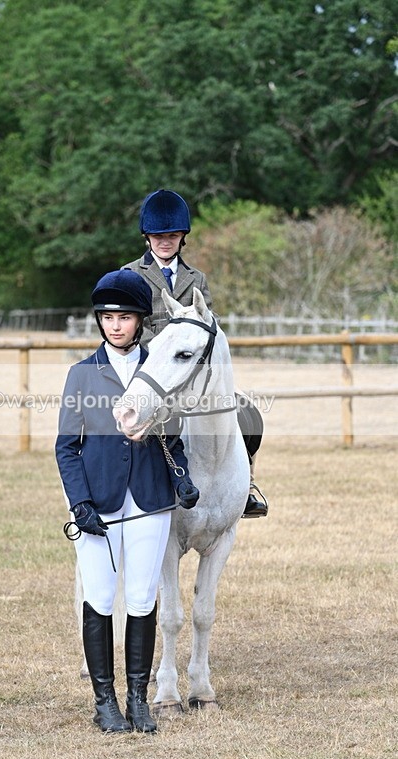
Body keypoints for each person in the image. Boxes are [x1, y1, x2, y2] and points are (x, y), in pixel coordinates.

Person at [55, 269, 200, 734]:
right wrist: (80, 504)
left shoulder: (158, 366)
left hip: (150, 499)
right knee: (98, 598)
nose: (116, 326)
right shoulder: (81, 374)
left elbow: (174, 435)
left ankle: (138, 699)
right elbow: (66, 446)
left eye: (125, 317)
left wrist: (182, 475)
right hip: (98, 502)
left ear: (141, 321)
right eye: (108, 317)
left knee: (141, 598)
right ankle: (105, 702)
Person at [121, 188, 268, 519]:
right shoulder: (130, 275)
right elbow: (125, 328)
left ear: (181, 237)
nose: (165, 242)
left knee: (245, 414)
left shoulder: (196, 279)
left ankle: (244, 488)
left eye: (172, 236)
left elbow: (208, 328)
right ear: (147, 237)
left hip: (191, 374)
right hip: (148, 371)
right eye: (158, 236)